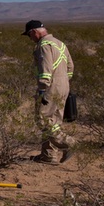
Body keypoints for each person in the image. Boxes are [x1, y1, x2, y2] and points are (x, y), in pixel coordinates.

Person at [22, 20, 75, 164]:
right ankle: (49, 155)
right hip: (64, 84)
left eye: (29, 35)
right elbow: (70, 66)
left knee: (43, 119)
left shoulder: (43, 46)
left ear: (34, 32)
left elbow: (45, 70)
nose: (30, 39)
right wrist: (63, 82)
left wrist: (42, 90)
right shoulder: (60, 43)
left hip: (51, 85)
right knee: (55, 120)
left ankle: (69, 143)